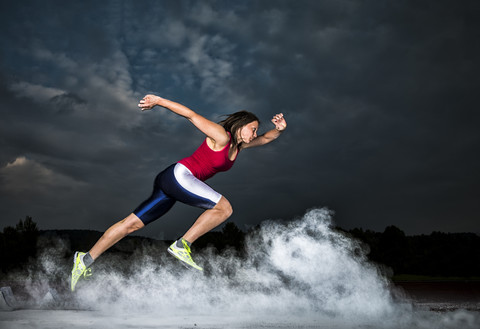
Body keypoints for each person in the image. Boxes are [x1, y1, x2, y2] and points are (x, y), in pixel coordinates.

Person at [71, 94, 287, 291]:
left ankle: (85, 259)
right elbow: (191, 115)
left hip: (171, 183)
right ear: (240, 126)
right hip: (180, 177)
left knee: (131, 224)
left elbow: (268, 138)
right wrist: (158, 101)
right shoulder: (222, 137)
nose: (255, 134)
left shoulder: (238, 147)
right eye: (253, 129)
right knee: (224, 208)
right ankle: (182, 245)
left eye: (256, 130)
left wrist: (279, 128)